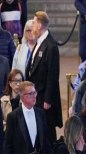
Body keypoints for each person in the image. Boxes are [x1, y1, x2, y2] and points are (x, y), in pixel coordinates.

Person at [26, 12, 62, 144]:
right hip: (36, 95)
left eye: (34, 23)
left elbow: (53, 75)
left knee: (47, 132)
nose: (32, 26)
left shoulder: (51, 46)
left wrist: (47, 99)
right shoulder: (39, 42)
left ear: (40, 25)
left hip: (44, 99)